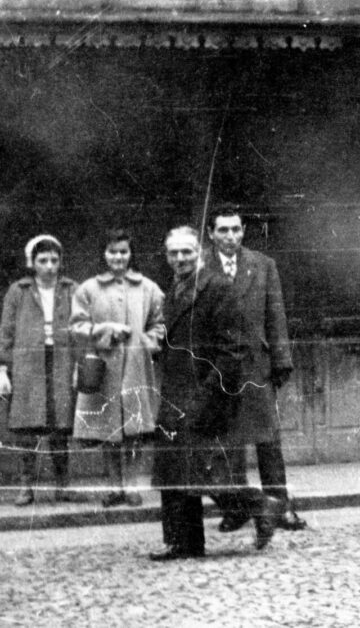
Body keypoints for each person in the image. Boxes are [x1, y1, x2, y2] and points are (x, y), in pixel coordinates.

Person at [148, 225, 283, 561]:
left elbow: (233, 350)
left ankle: (261, 504)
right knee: (176, 470)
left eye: (187, 252)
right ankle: (185, 542)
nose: (180, 259)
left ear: (199, 253)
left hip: (203, 395)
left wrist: (209, 397)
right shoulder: (175, 290)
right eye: (173, 253)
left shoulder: (217, 288)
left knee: (203, 471)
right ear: (167, 256)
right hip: (176, 393)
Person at [203, 203, 305, 532]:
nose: (230, 236)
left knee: (268, 440)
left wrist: (281, 363)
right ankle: (238, 508)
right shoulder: (201, 267)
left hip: (257, 366)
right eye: (223, 230)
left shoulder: (262, 265)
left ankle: (281, 506)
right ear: (211, 234)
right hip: (221, 367)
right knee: (229, 441)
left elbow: (275, 316)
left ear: (243, 231)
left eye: (235, 229)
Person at [70, 228, 166, 508]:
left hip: (137, 368)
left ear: (131, 254)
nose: (118, 257)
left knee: (134, 432)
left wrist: (145, 343)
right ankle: (114, 487)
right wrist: (105, 330)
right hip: (104, 370)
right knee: (109, 432)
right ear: (104, 254)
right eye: (112, 252)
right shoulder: (88, 289)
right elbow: (77, 327)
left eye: (123, 251)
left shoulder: (148, 288)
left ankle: (132, 485)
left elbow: (160, 323)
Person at [0, 234, 84, 506]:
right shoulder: (19, 290)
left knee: (60, 426)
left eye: (54, 260)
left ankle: (63, 485)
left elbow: (82, 329)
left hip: (61, 360)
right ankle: (26, 487)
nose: (49, 266)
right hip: (28, 364)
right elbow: (7, 332)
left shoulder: (72, 289)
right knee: (28, 427)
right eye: (43, 260)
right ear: (32, 263)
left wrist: (78, 365)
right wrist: (2, 369)